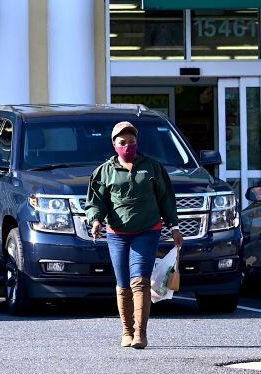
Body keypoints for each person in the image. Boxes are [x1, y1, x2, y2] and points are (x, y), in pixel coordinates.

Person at [84, 120, 183, 350]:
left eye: (132, 142)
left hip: (147, 231)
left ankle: (141, 333)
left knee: (140, 281)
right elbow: (95, 202)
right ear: (114, 144)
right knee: (123, 285)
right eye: (122, 142)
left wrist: (175, 227)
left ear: (137, 143)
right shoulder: (104, 171)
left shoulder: (152, 167)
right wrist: (96, 220)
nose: (127, 146)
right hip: (117, 234)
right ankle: (126, 331)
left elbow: (166, 198)